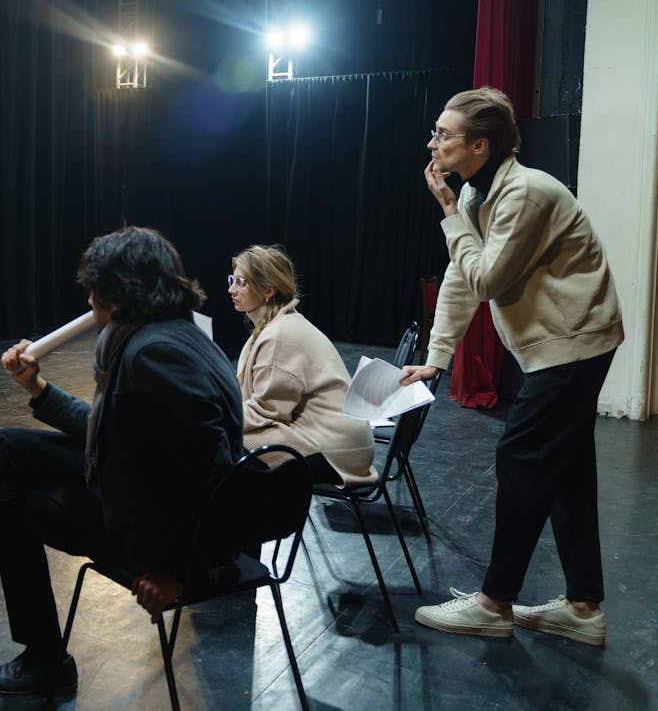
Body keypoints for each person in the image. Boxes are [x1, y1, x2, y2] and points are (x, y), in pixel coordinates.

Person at [0, 226, 243, 697]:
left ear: (120, 294)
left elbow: (214, 471)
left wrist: (179, 574)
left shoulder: (155, 353)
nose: (90, 302)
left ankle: (26, 653)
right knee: (7, 449)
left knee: (11, 508)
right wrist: (35, 387)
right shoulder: (172, 332)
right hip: (146, 490)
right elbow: (109, 429)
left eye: (95, 291)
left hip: (167, 539)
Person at [405, 87, 623, 646]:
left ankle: (494, 603)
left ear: (480, 145)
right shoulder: (479, 192)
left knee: (521, 459)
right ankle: (582, 608)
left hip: (574, 343)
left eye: (443, 134)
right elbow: (460, 279)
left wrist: (449, 214)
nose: (432, 143)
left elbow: (485, 279)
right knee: (567, 471)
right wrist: (436, 358)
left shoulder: (524, 193)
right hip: (561, 343)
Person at [228, 245, 377, 487]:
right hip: (333, 438)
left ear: (268, 290)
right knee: (228, 437)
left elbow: (267, 411)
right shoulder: (277, 325)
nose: (231, 289)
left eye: (240, 282)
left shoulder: (279, 334)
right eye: (232, 280)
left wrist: (215, 417)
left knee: (226, 445)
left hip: (337, 450)